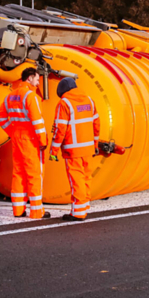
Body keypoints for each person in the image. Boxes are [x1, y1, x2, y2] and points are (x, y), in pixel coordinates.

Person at [0, 67, 50, 219]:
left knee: (18, 173)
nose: (38, 83)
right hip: (30, 139)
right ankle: (37, 211)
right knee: (34, 175)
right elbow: (37, 121)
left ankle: (18, 210)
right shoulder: (31, 97)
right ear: (30, 78)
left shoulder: (11, 96)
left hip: (17, 138)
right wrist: (43, 140)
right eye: (37, 80)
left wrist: (12, 132)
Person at [51, 77, 101, 221]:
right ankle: (84, 207)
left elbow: (60, 129)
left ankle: (78, 212)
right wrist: (95, 144)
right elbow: (96, 124)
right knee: (86, 178)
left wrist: (53, 151)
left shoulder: (64, 103)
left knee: (76, 180)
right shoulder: (89, 101)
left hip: (73, 149)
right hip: (88, 148)